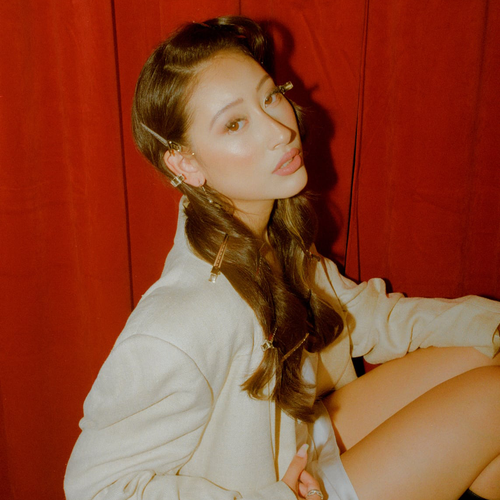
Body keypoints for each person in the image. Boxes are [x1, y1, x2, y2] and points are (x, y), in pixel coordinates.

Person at [64, 16, 500, 500]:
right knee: (494, 402)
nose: (279, 129)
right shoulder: (179, 324)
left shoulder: (268, 234)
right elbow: (96, 489)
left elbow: (362, 315)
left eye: (270, 96)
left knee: (483, 351)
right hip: (282, 491)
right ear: (185, 162)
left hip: (303, 441)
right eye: (235, 123)